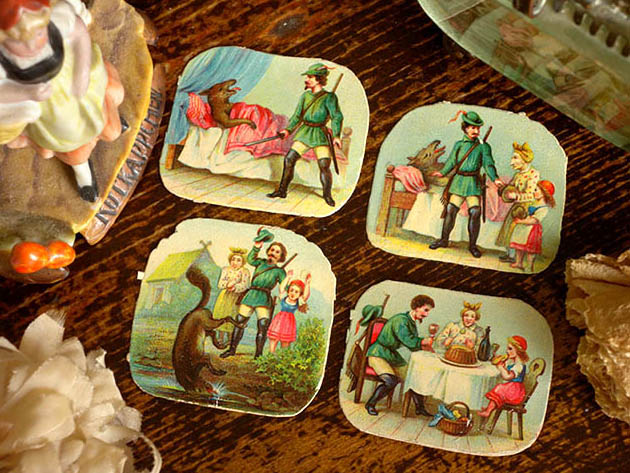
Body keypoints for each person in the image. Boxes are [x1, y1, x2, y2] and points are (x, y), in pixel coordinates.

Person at [0, 0, 125, 202]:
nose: (33, 46)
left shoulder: (57, 20)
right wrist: (26, 93)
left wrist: (82, 71)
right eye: (19, 43)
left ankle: (109, 120)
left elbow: (79, 32)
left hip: (74, 80)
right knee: (70, 141)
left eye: (39, 34)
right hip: (48, 107)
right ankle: (82, 172)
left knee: (106, 117)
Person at [267, 63, 343, 207]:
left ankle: (327, 195)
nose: (306, 80)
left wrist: (337, 135)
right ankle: (282, 191)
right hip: (305, 132)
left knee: (324, 165)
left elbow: (336, 117)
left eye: (310, 77)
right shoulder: (305, 96)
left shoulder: (329, 97)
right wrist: (288, 130)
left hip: (319, 133)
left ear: (319, 79)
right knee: (289, 159)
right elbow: (297, 116)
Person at [429, 110, 503, 258]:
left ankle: (472, 246)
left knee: (475, 212)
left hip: (472, 182)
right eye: (472, 127)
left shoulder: (483, 147)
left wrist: (495, 178)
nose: (476, 131)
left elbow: (488, 164)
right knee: (451, 209)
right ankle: (444, 240)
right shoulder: (459, 145)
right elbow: (451, 161)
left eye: (478, 128)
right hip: (459, 181)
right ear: (465, 128)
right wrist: (442, 172)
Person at [220, 229, 287, 359]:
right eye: (272, 250)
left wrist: (288, 281)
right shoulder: (260, 262)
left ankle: (258, 355)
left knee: (263, 326)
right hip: (251, 295)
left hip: (264, 298)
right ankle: (231, 350)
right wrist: (257, 247)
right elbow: (250, 259)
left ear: (281, 256)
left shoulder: (280, 271)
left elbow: (285, 286)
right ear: (268, 251)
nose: (273, 253)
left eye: (277, 252)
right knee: (239, 322)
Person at [364, 294, 435, 416]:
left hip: (391, 355)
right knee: (390, 381)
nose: (427, 314)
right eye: (425, 310)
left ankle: (420, 408)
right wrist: (423, 341)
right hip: (378, 353)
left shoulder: (411, 322)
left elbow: (412, 345)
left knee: (414, 378)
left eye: (428, 311)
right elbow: (408, 340)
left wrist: (427, 348)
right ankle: (370, 404)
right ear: (417, 307)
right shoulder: (401, 320)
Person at [495, 142, 540, 263]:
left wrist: (516, 196)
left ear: (524, 159)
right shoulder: (517, 175)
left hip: (526, 208)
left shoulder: (533, 174)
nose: (512, 162)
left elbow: (531, 195)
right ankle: (510, 254)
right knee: (508, 229)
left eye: (515, 158)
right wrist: (504, 189)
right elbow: (511, 188)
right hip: (516, 207)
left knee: (517, 231)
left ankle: (516, 256)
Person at [509, 180, 556, 272]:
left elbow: (533, 220)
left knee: (530, 250)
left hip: (532, 230)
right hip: (523, 228)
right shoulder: (534, 202)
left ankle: (529, 266)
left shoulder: (543, 208)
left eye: (536, 190)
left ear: (543, 193)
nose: (534, 192)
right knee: (519, 247)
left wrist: (521, 221)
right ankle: (519, 262)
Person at [478, 335, 529, 418]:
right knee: (499, 389)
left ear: (518, 351)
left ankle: (488, 411)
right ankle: (489, 408)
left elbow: (507, 376)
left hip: (515, 391)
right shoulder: (513, 363)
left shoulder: (518, 366)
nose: (507, 351)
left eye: (510, 349)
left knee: (499, 389)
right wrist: (503, 366)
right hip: (511, 388)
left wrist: (501, 368)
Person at [212, 248, 250, 346]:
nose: (235, 262)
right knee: (221, 314)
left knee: (233, 316)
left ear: (243, 262)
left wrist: (235, 287)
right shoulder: (226, 269)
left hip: (236, 298)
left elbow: (245, 285)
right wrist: (227, 284)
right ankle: (220, 337)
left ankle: (230, 339)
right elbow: (220, 283)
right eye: (233, 259)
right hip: (224, 296)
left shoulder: (245, 271)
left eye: (238, 260)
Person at [267, 271, 311, 353]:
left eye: (296, 292)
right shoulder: (284, 297)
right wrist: (288, 277)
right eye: (291, 290)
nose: (293, 293)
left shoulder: (298, 301)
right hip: (279, 320)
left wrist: (307, 283)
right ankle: (271, 355)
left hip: (289, 322)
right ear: (288, 291)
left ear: (300, 294)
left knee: (285, 342)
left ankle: (283, 357)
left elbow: (305, 296)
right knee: (274, 338)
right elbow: (281, 289)